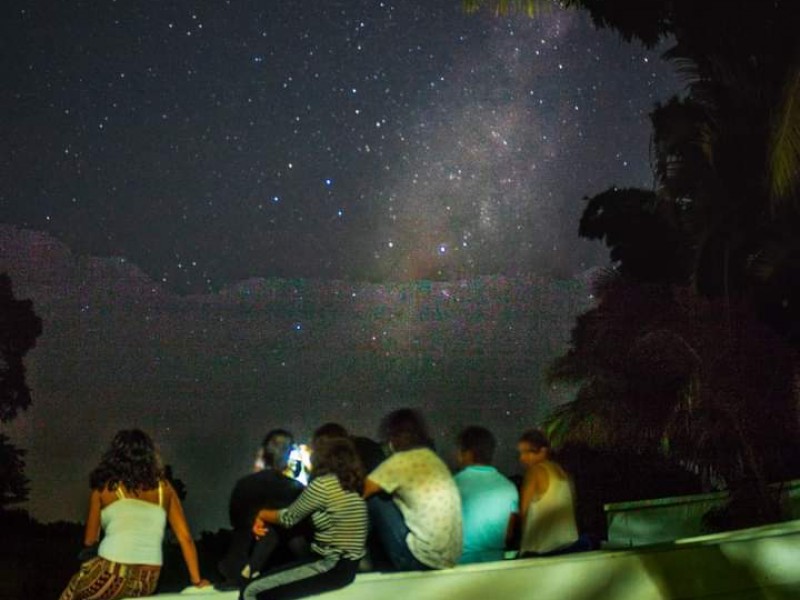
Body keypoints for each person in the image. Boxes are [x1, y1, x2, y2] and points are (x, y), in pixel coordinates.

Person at [59, 429, 209, 600]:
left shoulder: (104, 488)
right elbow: (185, 538)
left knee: (70, 593)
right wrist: (196, 581)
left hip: (110, 575)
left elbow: (89, 540)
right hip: (148, 580)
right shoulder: (164, 488)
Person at [242, 436, 368, 600]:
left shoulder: (323, 485)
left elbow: (288, 518)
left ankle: (249, 569)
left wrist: (261, 514)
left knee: (251, 591)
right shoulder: (352, 486)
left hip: (329, 565)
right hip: (348, 566)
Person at [363, 408, 462, 570]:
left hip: (420, 559)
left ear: (394, 438)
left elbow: (362, 491)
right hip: (450, 559)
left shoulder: (400, 461)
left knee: (375, 500)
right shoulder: (434, 460)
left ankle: (357, 558)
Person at [219, 429, 307, 589]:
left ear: (265, 453)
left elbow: (235, 520)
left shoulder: (243, 485)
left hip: (237, 563)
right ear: (288, 454)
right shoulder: (294, 488)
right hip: (282, 569)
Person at [454, 426, 519, 564]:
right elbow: (509, 534)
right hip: (496, 563)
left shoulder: (453, 485)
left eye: (459, 451)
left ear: (468, 453)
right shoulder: (509, 487)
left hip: (461, 564)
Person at [517, 428, 580, 557]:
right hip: (569, 544)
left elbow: (523, 512)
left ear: (543, 451)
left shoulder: (535, 471)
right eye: (520, 453)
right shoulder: (562, 472)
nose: (522, 458)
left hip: (541, 548)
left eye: (527, 452)